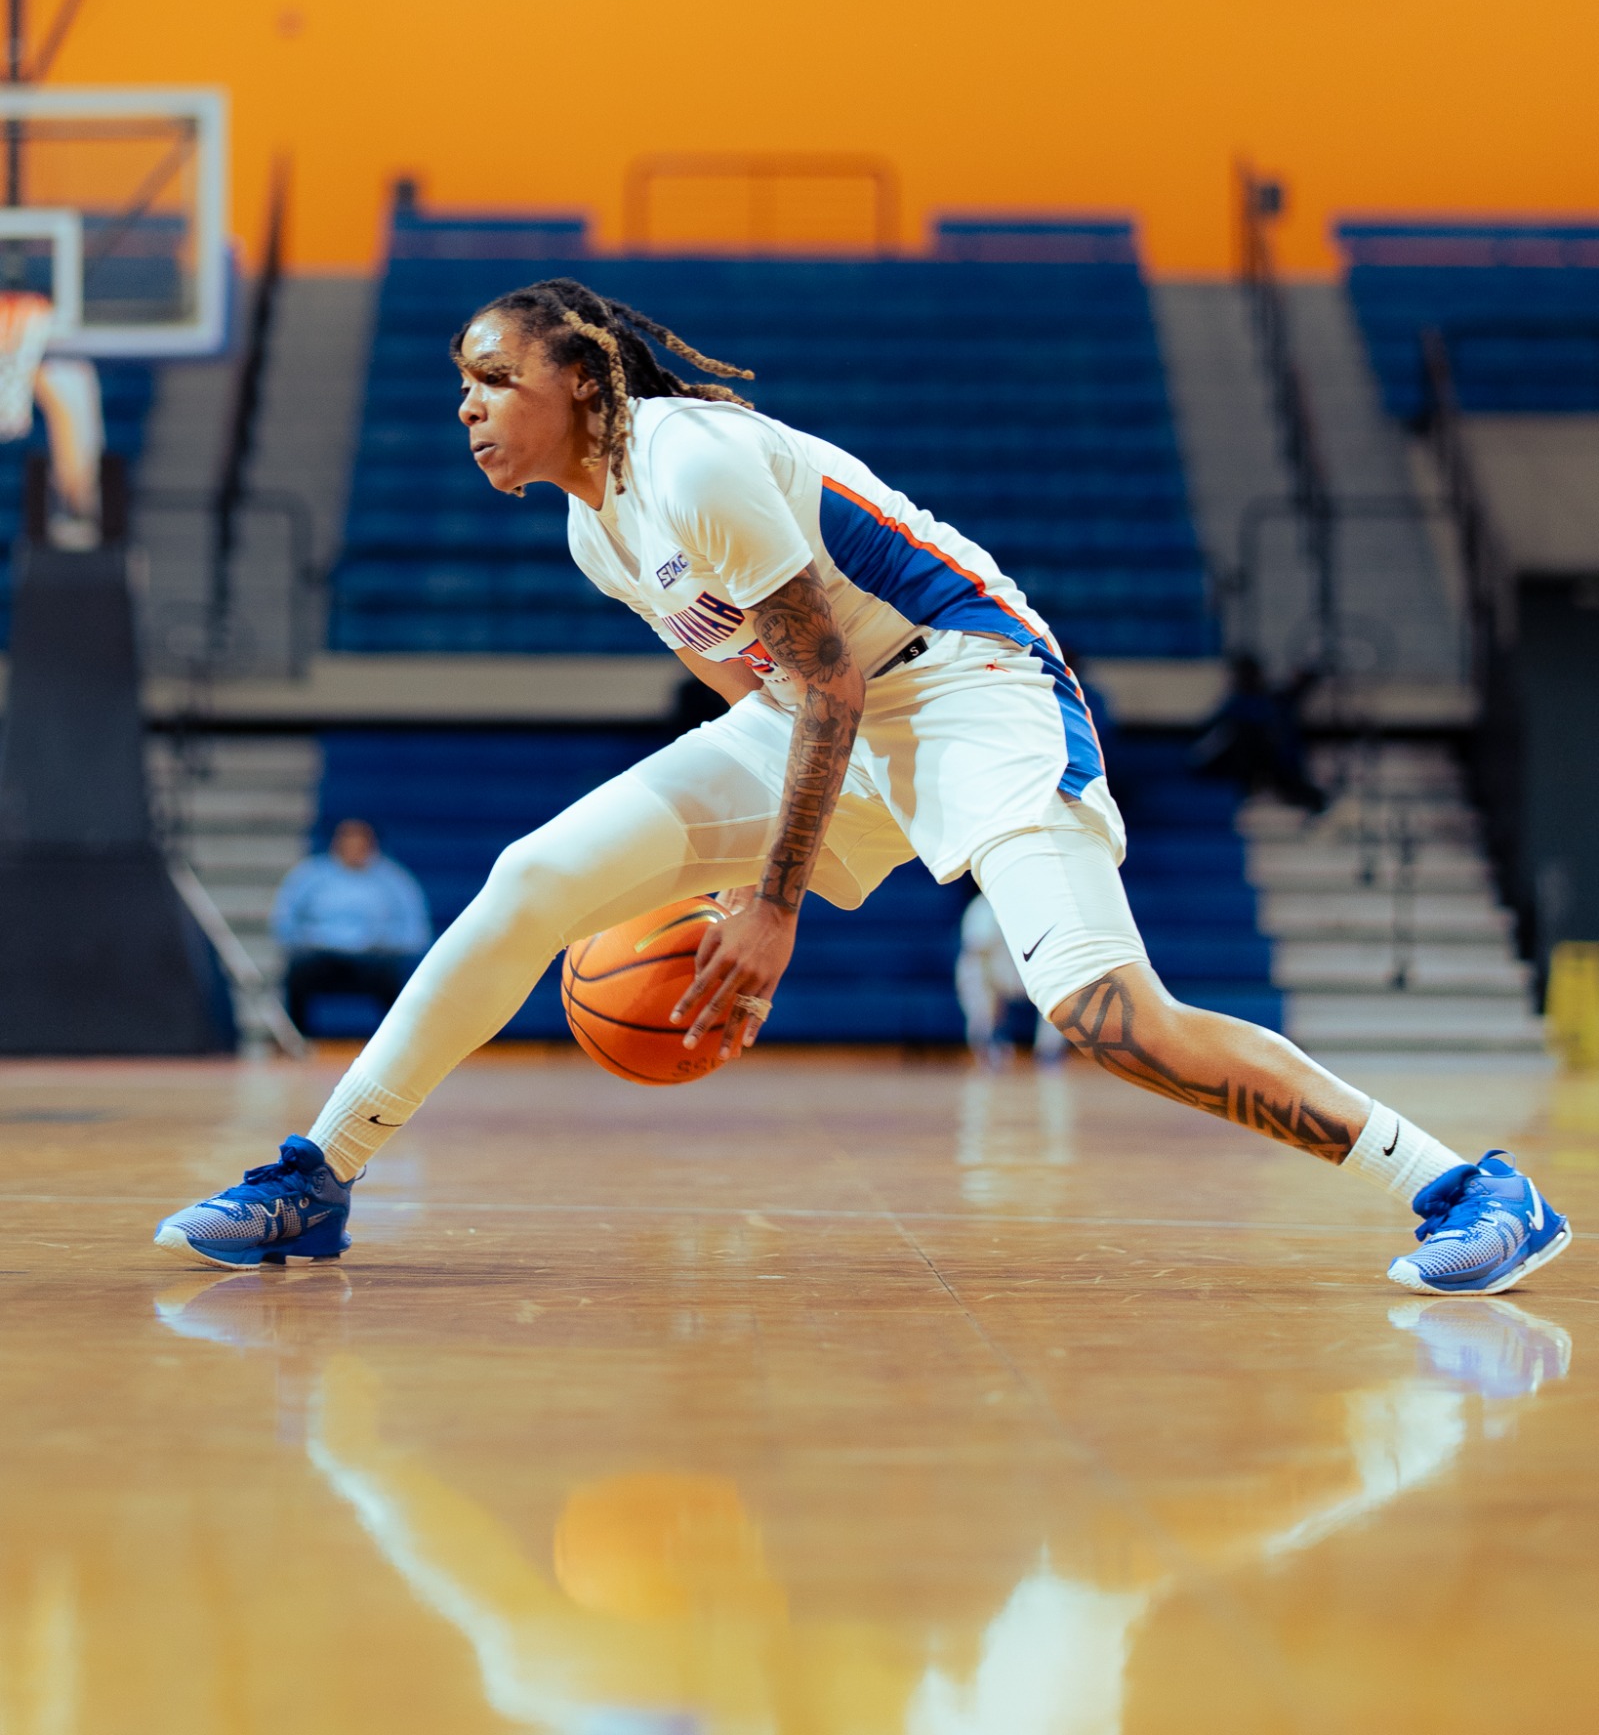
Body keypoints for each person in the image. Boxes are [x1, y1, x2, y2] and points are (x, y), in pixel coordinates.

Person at [155, 278, 1570, 1297]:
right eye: (459, 388)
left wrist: (770, 909)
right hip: (824, 706)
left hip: (967, 687)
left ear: (580, 384)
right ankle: (314, 1178)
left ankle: (1458, 1186)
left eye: (490, 382)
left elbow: (831, 680)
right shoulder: (600, 534)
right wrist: (728, 873)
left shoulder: (693, 457)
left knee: (1102, 1015)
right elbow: (765, 696)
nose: (465, 410)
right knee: (532, 879)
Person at [271, 819, 432, 1034]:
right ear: (335, 844)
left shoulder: (394, 880)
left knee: (392, 977)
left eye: (360, 842)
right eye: (347, 841)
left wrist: (384, 943)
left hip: (372, 959)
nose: (353, 849)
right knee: (298, 971)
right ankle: (296, 1041)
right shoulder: (310, 875)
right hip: (322, 956)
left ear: (372, 844)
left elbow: (415, 931)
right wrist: (308, 940)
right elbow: (285, 920)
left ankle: (395, 1040)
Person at [1191, 654, 1327, 813]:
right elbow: (1202, 748)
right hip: (1256, 769)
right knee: (1248, 734)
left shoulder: (1274, 701)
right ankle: (1253, 791)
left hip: (1280, 769)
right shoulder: (1238, 706)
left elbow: (1296, 691)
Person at [956, 891, 1066, 1068]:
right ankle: (988, 1043)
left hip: (1037, 973)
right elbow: (976, 949)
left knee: (1063, 979)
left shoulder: (1044, 902)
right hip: (995, 973)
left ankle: (1049, 1051)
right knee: (971, 970)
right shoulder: (983, 906)